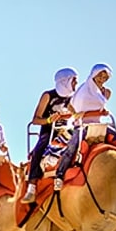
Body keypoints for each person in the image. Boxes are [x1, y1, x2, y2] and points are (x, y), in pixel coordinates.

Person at [53, 64, 116, 190]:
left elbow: (99, 110)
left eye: (105, 76)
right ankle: (60, 175)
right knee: (72, 148)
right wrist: (93, 113)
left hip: (99, 125)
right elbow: (78, 112)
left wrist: (98, 113)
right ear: (93, 75)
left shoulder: (105, 92)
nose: (102, 78)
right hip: (83, 126)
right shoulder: (84, 91)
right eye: (100, 75)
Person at [22, 68, 78, 203]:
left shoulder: (74, 97)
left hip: (68, 129)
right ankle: (32, 187)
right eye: (74, 80)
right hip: (50, 130)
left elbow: (77, 113)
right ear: (66, 80)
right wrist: (48, 120)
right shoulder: (48, 96)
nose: (76, 83)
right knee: (39, 150)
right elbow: (35, 119)